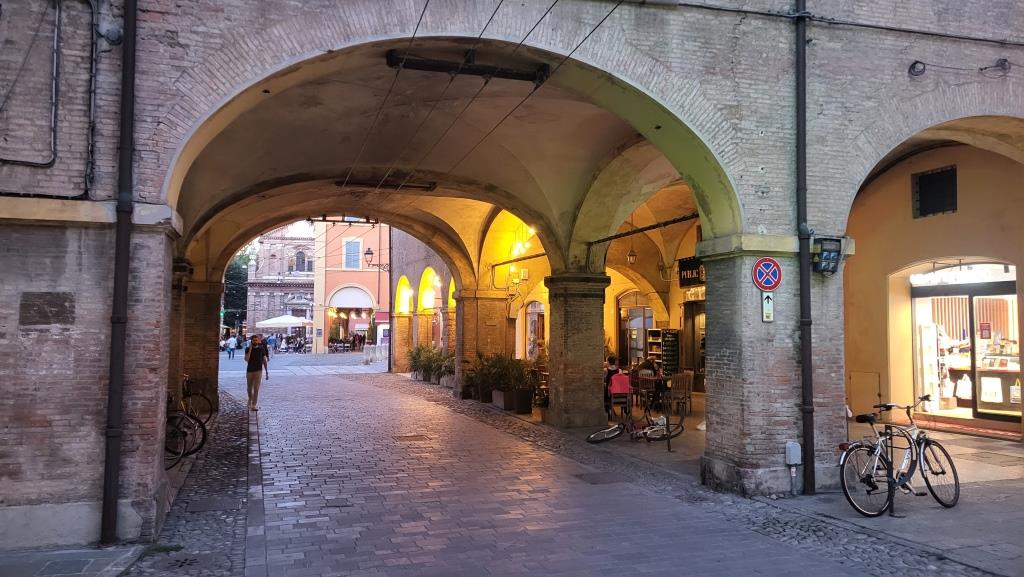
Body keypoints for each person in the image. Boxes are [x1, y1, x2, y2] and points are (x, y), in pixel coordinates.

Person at [244, 334, 270, 411]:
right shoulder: (247, 349)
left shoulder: (261, 349)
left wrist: (266, 371)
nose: (255, 341)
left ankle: (254, 404)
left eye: (256, 340)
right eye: (253, 340)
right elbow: (246, 359)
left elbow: (264, 360)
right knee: (249, 388)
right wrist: (250, 348)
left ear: (258, 341)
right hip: (249, 370)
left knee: (256, 388)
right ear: (251, 341)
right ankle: (250, 399)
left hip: (258, 370)